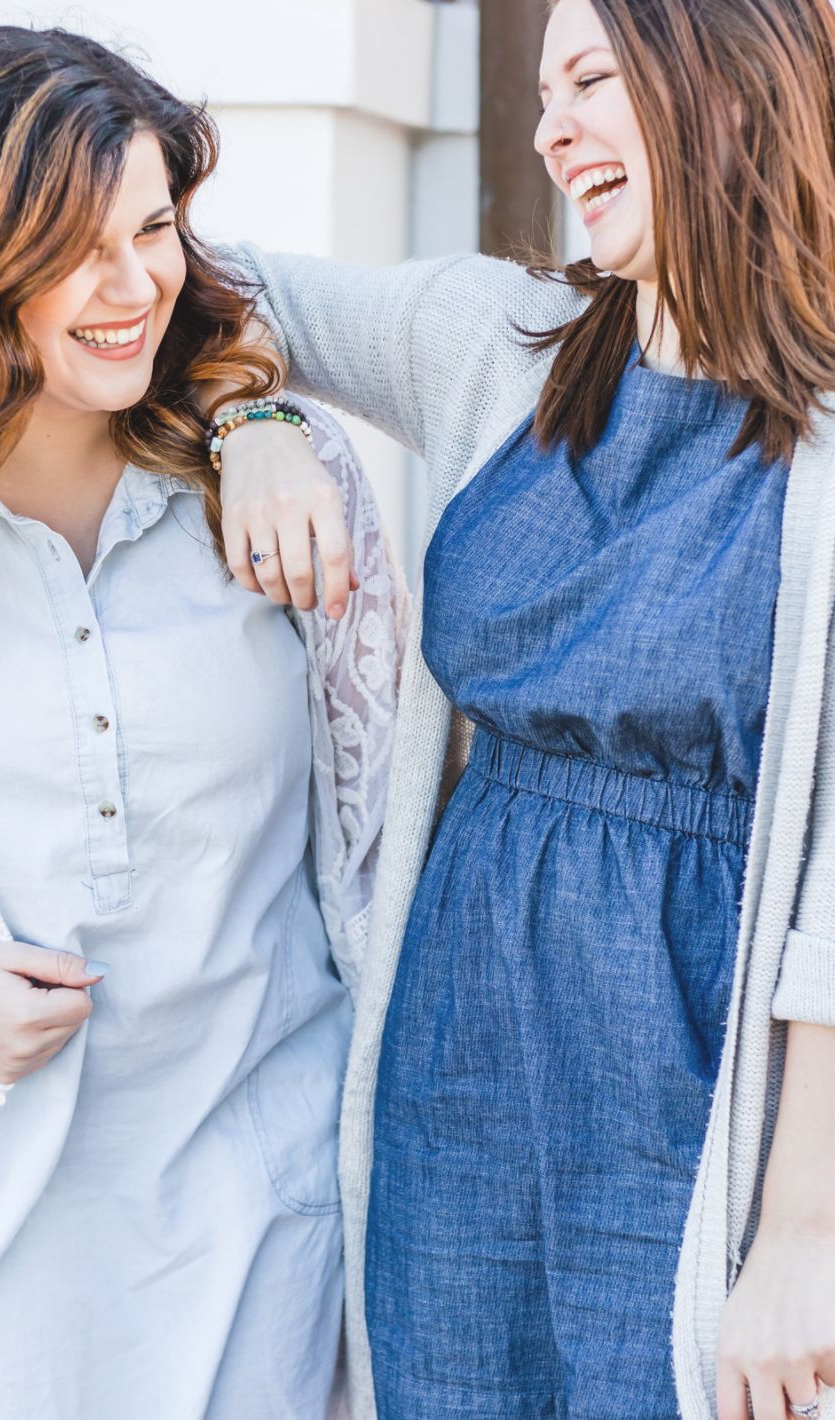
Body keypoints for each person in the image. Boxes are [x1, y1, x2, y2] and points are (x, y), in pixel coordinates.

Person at [0, 26, 406, 1419]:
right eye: (72, 247)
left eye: (156, 227)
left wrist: (257, 424)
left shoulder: (284, 491)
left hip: (264, 1220)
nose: (132, 289)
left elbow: (375, 856)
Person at [215, 1, 835, 1416]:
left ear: (727, 86)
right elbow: (203, 283)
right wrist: (249, 426)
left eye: (592, 81)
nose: (550, 129)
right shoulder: (499, 339)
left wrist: (805, 1238)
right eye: (540, 90)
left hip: (706, 1068)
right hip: (464, 1046)